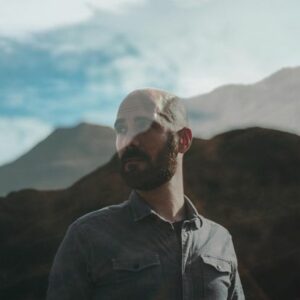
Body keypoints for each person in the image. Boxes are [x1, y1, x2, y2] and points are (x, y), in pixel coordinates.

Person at [47, 88, 245, 300]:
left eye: (143, 125)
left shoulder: (219, 240)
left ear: (183, 140)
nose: (129, 140)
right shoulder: (87, 236)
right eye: (121, 129)